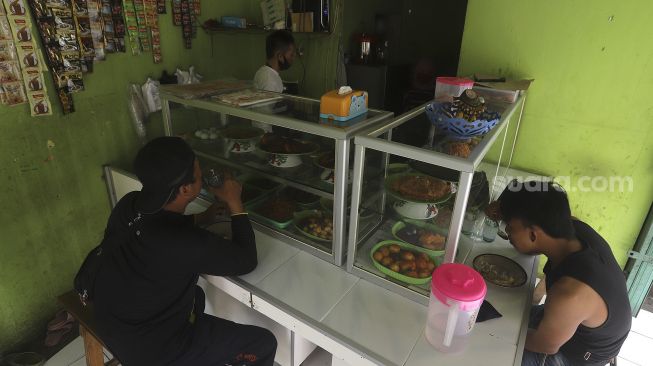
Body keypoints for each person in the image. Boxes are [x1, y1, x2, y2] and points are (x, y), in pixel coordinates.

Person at [92, 137, 277, 365]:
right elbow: (246, 260)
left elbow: (157, 226)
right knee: (263, 343)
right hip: (152, 349)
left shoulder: (130, 203)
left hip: (111, 317)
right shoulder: (182, 243)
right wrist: (235, 202)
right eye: (199, 174)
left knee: (196, 298)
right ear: (186, 188)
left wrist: (202, 218)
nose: (203, 176)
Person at [488, 181, 630, 366]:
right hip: (579, 321)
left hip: (578, 352)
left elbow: (546, 345)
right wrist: (506, 209)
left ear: (533, 235)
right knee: (502, 313)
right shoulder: (571, 227)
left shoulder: (569, 294)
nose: (507, 232)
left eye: (510, 228)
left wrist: (499, 336)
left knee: (494, 351)